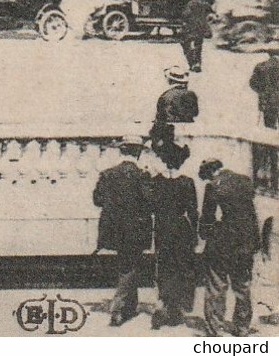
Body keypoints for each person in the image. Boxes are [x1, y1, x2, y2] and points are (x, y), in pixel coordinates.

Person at [93, 135, 153, 326]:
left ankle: (130, 306)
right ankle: (118, 310)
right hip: (135, 229)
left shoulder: (107, 173)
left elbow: (97, 200)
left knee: (129, 264)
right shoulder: (142, 175)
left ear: (122, 150)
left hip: (112, 229)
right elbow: (150, 201)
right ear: (138, 152)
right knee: (129, 266)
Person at [200, 157, 261, 337]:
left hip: (223, 243)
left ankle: (214, 329)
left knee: (216, 285)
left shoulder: (213, 186)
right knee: (242, 284)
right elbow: (251, 214)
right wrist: (255, 243)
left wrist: (205, 235)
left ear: (210, 171)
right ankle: (242, 327)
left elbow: (208, 218)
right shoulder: (245, 181)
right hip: (246, 243)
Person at [148, 140, 199, 329]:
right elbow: (193, 211)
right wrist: (195, 233)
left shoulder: (156, 182)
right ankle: (176, 308)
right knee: (181, 267)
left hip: (162, 228)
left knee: (164, 266)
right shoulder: (187, 182)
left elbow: (151, 206)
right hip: (181, 229)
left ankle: (163, 304)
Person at [180, 0, 213, 73]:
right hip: (201, 29)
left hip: (191, 28)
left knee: (186, 45)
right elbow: (211, 12)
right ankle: (197, 63)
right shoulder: (205, 4)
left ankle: (192, 64)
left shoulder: (190, 4)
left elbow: (185, 15)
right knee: (198, 46)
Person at [249, 47, 279, 129]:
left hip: (266, 100)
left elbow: (252, 83)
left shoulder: (261, 66)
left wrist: (262, 92)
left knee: (269, 127)